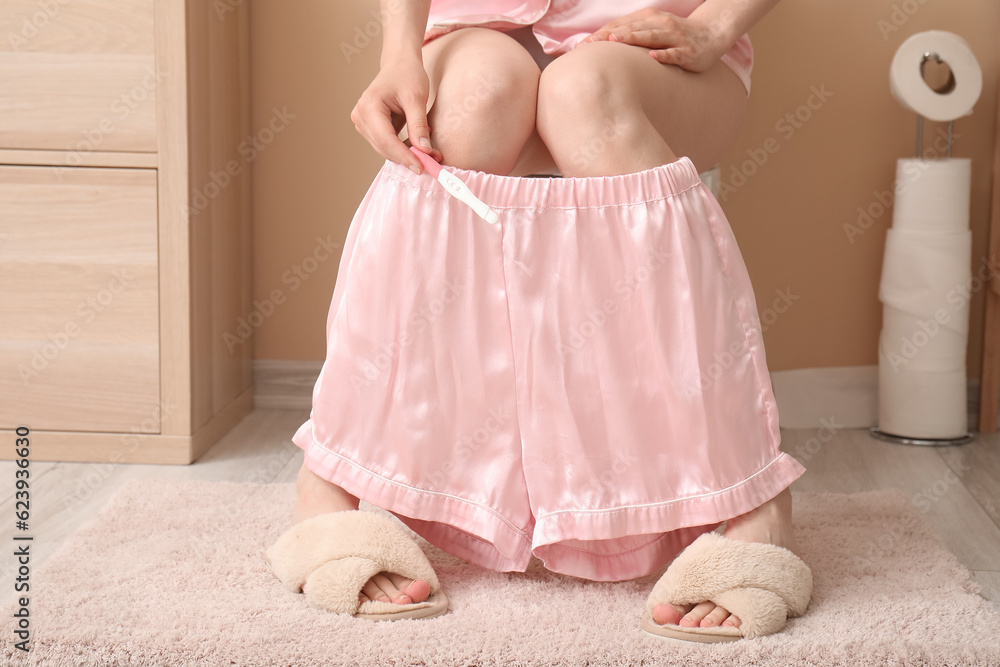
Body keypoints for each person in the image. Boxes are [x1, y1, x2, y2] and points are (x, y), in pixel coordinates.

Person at [275, 0, 812, 642]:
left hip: (656, 45)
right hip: (476, 28)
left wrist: (714, 27)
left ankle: (753, 494)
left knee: (584, 94)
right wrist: (399, 55)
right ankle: (334, 472)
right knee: (472, 105)